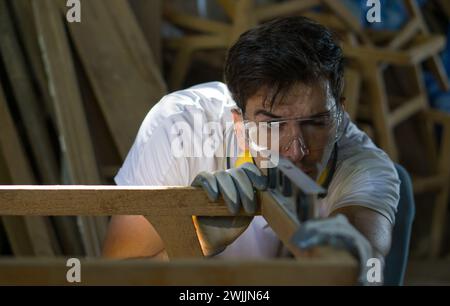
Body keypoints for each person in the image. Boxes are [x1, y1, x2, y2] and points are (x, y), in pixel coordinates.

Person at [103, 17, 399, 282]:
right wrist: (195, 242)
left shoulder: (363, 166)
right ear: (239, 125)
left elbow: (360, 255)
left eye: (315, 122)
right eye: (272, 124)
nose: (296, 150)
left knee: (400, 185)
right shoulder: (180, 128)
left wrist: (347, 258)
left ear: (339, 115)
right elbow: (112, 278)